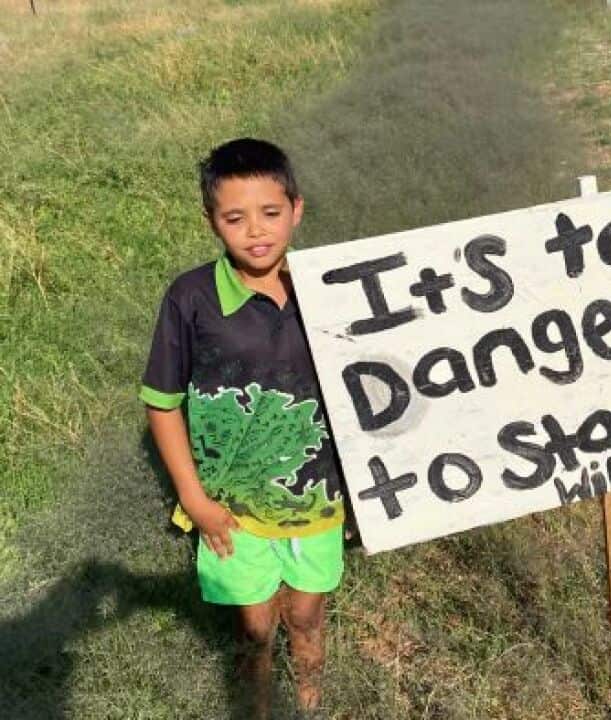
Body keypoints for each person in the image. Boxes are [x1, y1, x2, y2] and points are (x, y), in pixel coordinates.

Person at [141, 138, 345, 717]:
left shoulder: (328, 285)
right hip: (232, 509)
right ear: (212, 221)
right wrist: (193, 498)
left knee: (306, 613)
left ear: (297, 209)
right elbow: (162, 404)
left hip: (318, 498)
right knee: (255, 627)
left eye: (271, 213)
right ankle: (258, 705)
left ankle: (309, 698)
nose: (256, 230)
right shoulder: (191, 298)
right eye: (235, 217)